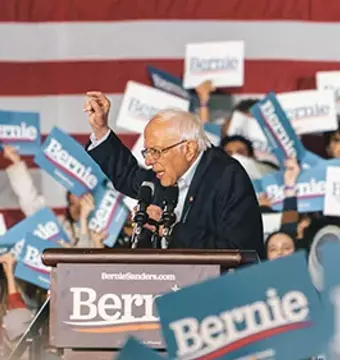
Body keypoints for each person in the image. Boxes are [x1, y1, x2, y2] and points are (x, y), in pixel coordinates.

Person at [82, 91, 263, 252]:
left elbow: (240, 251)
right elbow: (127, 175)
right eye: (147, 152)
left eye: (156, 152)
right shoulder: (164, 178)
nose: (147, 161)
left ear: (188, 149)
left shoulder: (226, 177)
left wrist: (170, 229)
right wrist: (100, 129)